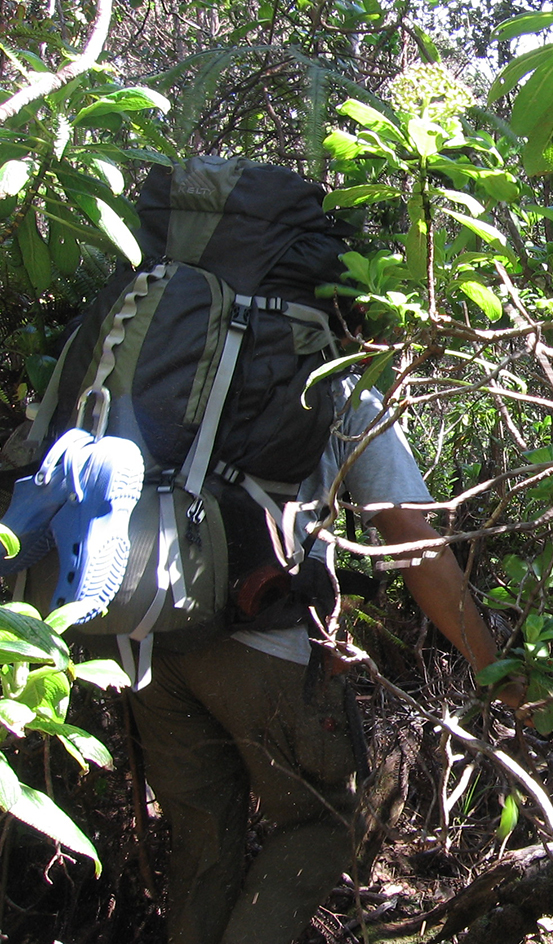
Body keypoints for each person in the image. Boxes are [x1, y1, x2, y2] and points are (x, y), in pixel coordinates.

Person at [122, 375, 522, 944]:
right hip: (264, 636)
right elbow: (412, 537)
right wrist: (496, 669)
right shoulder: (340, 388)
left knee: (203, 836)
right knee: (326, 820)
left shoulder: (178, 339)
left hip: (147, 631)